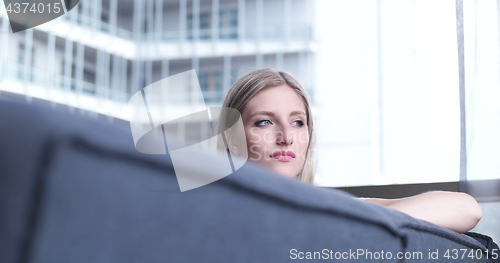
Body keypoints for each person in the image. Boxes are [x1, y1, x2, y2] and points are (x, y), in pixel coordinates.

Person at [219, 68, 482, 234]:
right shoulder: (207, 210)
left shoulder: (330, 210)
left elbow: (467, 209)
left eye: (298, 122)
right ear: (231, 137)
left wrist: (338, 217)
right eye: (264, 121)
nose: (286, 137)